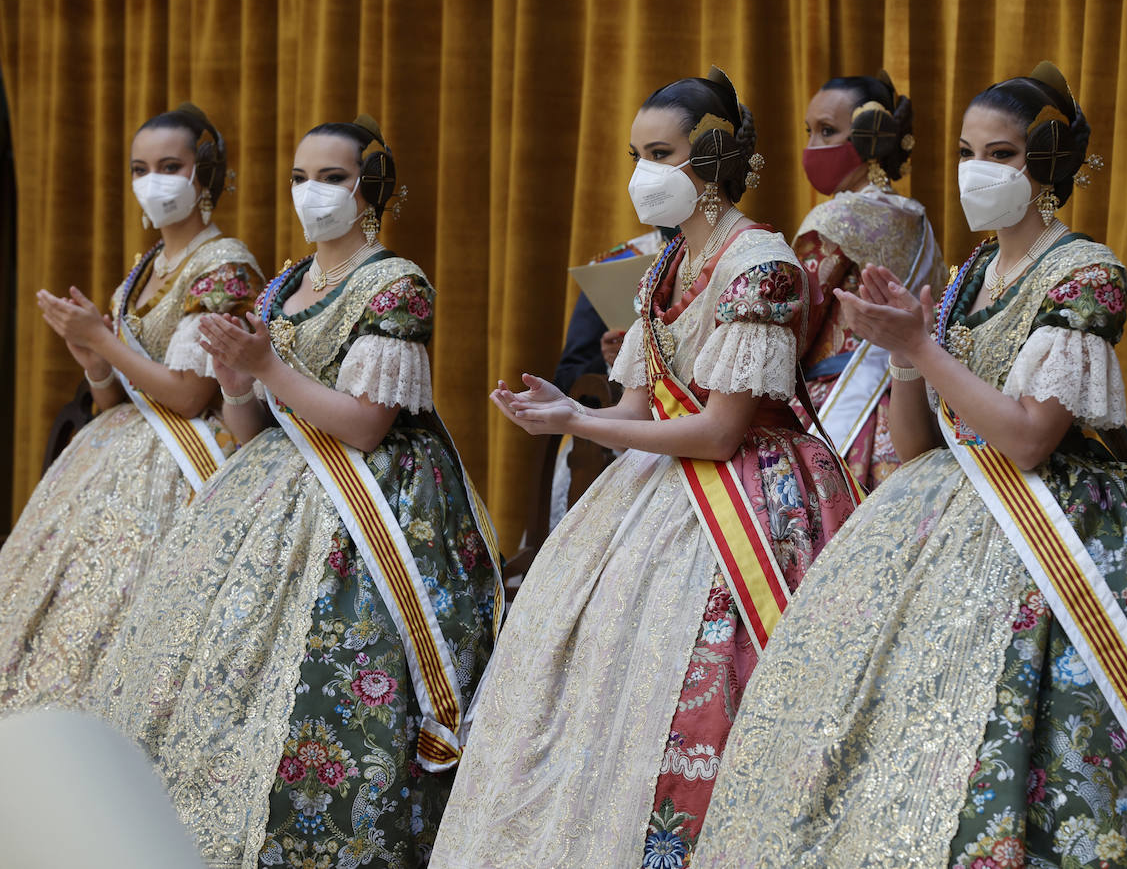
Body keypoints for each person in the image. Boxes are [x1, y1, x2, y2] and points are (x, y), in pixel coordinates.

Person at [693, 63, 1127, 868]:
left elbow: (1031, 439)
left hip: (1062, 527)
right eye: (969, 150)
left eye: (1001, 153)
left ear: (1046, 169)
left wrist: (918, 345)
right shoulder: (971, 273)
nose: (978, 170)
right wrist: (902, 356)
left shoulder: (1086, 273)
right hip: (947, 511)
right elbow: (916, 449)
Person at [430, 68, 859, 869]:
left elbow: (722, 432)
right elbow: (637, 414)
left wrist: (576, 421)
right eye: (636, 154)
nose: (642, 174)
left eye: (659, 154)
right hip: (652, 496)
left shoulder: (761, 264)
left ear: (714, 157)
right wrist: (572, 409)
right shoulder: (664, 267)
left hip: (746, 506)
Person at [96, 116, 501, 868]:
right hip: (273, 488)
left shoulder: (394, 283)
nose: (311, 194)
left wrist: (270, 368)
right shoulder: (286, 282)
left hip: (370, 508)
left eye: (332, 179)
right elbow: (248, 430)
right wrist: (237, 378)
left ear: (372, 189)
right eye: (299, 178)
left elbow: (367, 428)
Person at [0, 104, 261, 711]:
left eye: (170, 166)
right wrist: (92, 358)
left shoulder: (224, 266)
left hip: (183, 461)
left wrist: (103, 340)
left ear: (206, 176)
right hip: (117, 445)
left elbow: (192, 394)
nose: (153, 181)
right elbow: (113, 396)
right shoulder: (144, 269)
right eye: (141, 168)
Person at [794, 71, 945, 489]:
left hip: (840, 405)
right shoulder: (916, 218)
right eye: (810, 131)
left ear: (868, 138)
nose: (813, 146)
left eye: (828, 131)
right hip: (911, 407)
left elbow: (791, 324)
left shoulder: (834, 218)